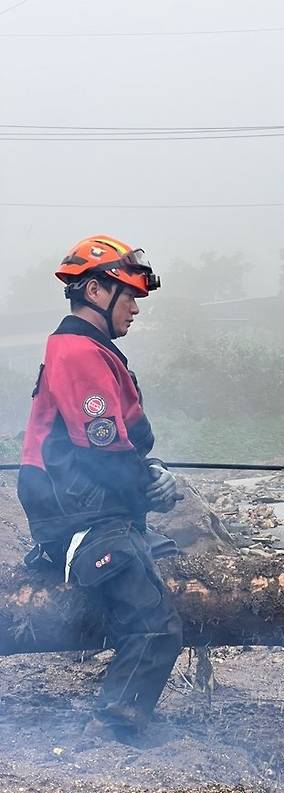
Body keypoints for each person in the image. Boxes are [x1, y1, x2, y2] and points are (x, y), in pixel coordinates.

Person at [17, 235, 183, 742]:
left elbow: (124, 443)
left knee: (165, 559)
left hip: (93, 509)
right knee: (157, 626)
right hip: (80, 515)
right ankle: (117, 725)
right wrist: (150, 486)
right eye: (128, 296)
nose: (135, 308)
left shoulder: (92, 351)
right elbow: (103, 448)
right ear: (94, 291)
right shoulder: (78, 353)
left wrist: (148, 475)